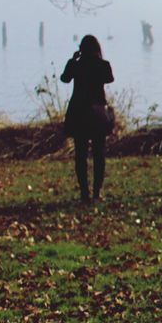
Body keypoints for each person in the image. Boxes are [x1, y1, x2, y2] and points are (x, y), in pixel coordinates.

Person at [60, 35, 115, 203]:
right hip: (97, 111)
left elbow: (64, 78)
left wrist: (72, 60)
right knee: (99, 154)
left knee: (80, 154)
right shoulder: (103, 65)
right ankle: (97, 192)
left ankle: (84, 192)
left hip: (79, 112)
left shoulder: (77, 65)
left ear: (81, 49)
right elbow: (110, 78)